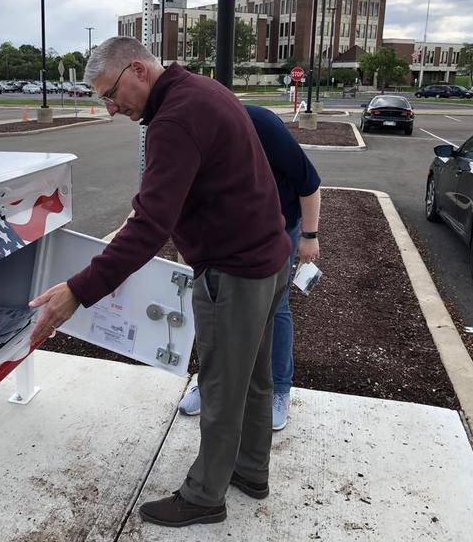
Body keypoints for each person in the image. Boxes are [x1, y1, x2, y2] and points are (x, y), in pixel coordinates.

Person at [28, 36, 291, 528]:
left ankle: (204, 496)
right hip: (269, 257)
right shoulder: (202, 90)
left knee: (219, 388)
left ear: (136, 71)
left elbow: (148, 225)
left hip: (235, 272)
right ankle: (251, 471)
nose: (110, 109)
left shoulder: (174, 119)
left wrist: (77, 292)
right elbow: (194, 189)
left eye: (110, 94)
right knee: (254, 379)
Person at [178, 104, 322, 431]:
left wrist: (309, 236)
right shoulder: (186, 131)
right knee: (216, 306)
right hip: (226, 229)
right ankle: (211, 385)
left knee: (275, 307)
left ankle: (279, 391)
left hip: (279, 226)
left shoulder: (262, 125)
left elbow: (309, 183)